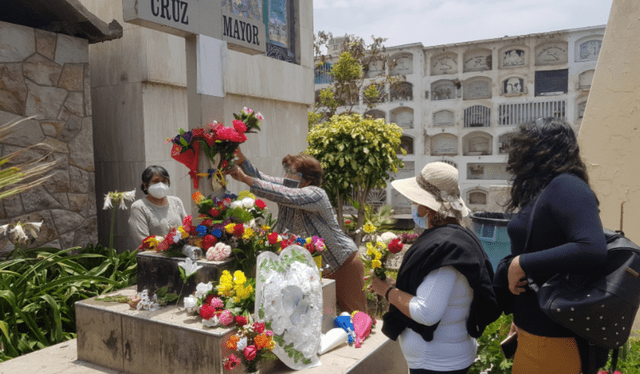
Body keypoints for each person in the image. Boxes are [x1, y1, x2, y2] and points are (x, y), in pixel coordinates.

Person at [494, 117, 607, 374]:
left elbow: (592, 247)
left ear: (541, 150)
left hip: (555, 341)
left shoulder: (567, 185)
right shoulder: (546, 191)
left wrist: (521, 262)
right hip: (533, 335)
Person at [370, 162, 499, 374]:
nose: (413, 205)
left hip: (437, 363)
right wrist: (397, 287)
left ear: (427, 207)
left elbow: (427, 312)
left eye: (415, 201)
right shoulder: (455, 238)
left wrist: (388, 291)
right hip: (444, 357)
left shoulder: (446, 248)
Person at [227, 149, 367, 314]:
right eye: (286, 171)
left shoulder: (316, 194)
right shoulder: (289, 187)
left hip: (343, 265)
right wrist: (242, 161)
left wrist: (244, 179)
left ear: (308, 180)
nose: (286, 176)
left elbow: (287, 195)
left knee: (357, 317)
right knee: (323, 321)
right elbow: (262, 178)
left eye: (292, 172)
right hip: (316, 271)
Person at [129, 165, 187, 245]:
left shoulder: (176, 202)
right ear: (145, 184)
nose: (161, 185)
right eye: (155, 181)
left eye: (164, 181)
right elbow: (143, 242)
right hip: (154, 255)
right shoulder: (139, 207)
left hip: (180, 254)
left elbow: (187, 229)